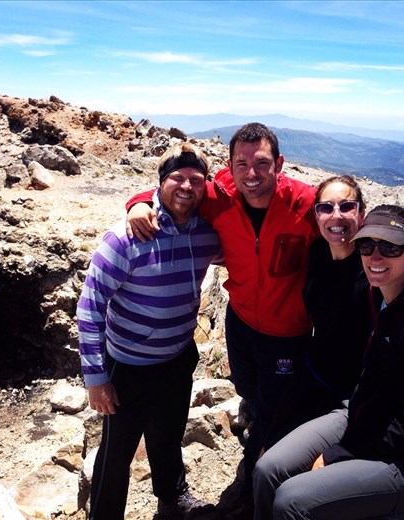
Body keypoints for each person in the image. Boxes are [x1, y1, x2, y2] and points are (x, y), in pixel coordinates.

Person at [126, 123, 320, 507]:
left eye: (261, 163)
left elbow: (354, 226)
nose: (251, 174)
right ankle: (259, 430)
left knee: (274, 409)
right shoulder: (222, 197)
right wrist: (138, 202)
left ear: (279, 164)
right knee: (248, 390)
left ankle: (252, 490)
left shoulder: (306, 203)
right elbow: (177, 192)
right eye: (241, 165)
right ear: (229, 168)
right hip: (241, 322)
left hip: (288, 333)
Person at [252, 204, 404, 520]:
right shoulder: (382, 294)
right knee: (267, 469)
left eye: (390, 247)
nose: (375, 257)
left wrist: (339, 453)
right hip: (363, 414)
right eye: (366, 245)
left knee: (291, 500)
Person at [76, 143, 221, 520]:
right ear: (161, 182)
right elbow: (89, 307)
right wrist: (96, 379)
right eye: (177, 178)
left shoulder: (208, 234)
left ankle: (172, 500)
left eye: (196, 179)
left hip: (178, 356)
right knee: (116, 453)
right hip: (129, 365)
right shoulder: (126, 237)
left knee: (168, 435)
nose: (186, 186)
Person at [263, 175, 404, 449]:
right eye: (326, 208)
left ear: (361, 213)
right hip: (315, 372)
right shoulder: (317, 251)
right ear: (317, 215)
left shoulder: (376, 259)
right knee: (267, 450)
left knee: (309, 460)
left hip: (357, 389)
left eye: (346, 206)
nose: (336, 215)